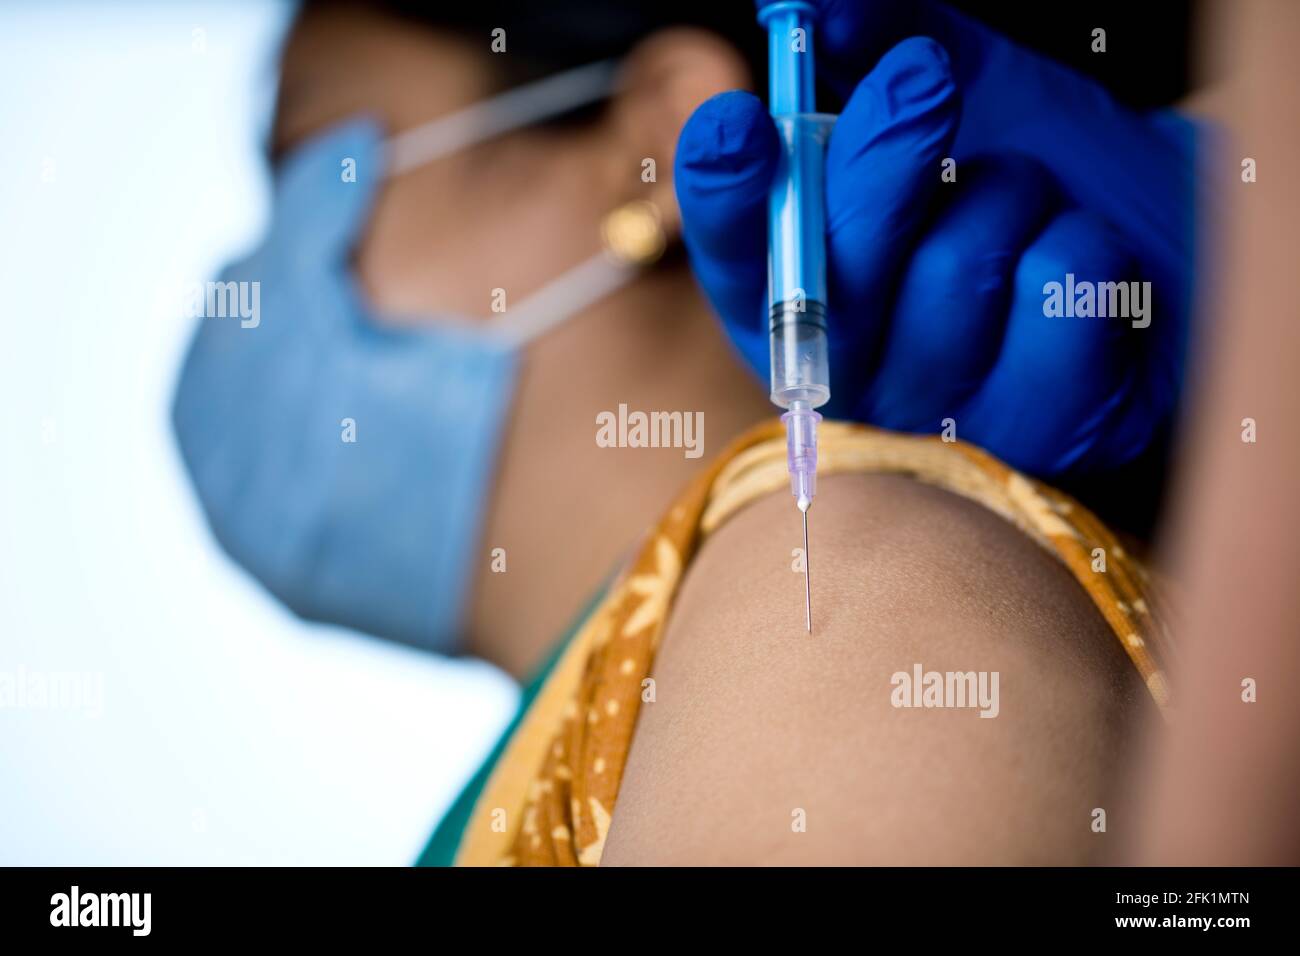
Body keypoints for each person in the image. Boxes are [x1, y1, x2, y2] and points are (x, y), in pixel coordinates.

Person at [170, 0, 1222, 865]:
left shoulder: (844, 569)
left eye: (318, 162)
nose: (252, 281)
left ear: (652, 137)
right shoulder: (574, 741)